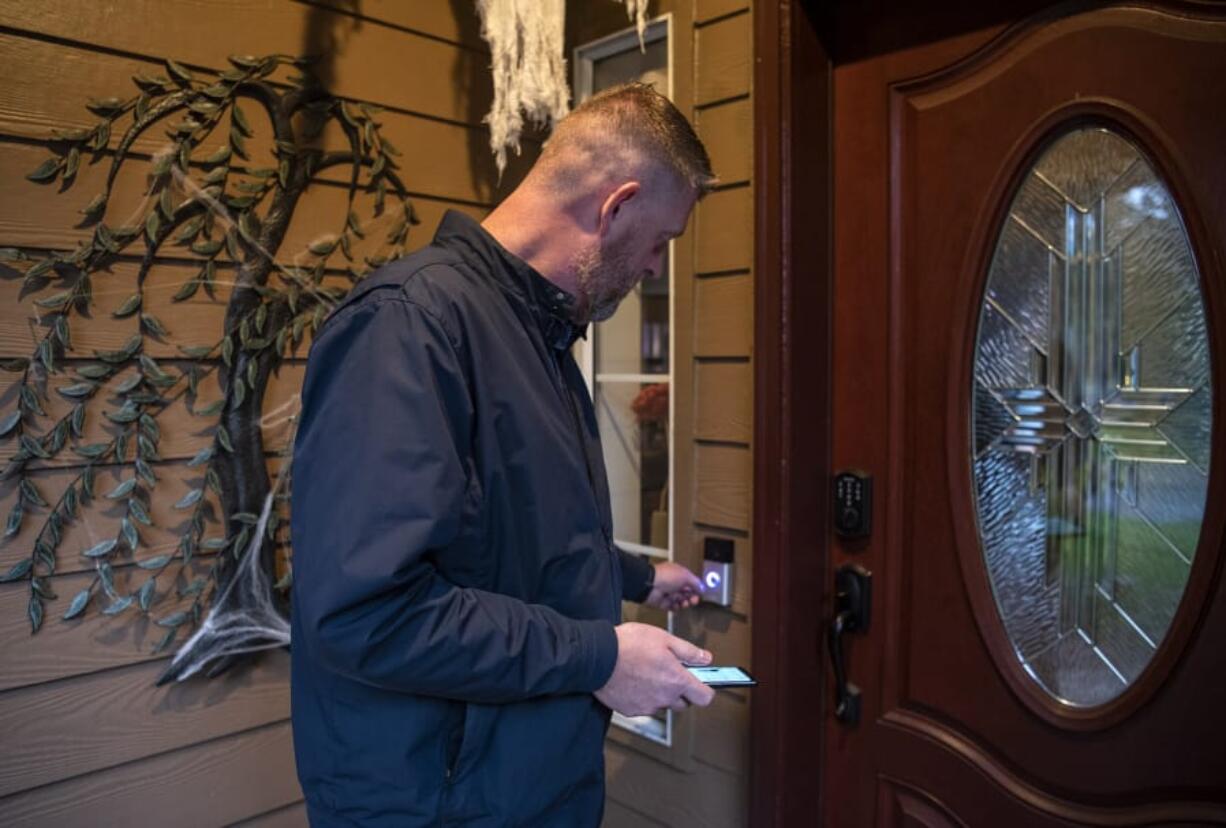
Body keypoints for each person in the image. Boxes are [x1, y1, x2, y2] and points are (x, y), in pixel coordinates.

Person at [289, 82, 719, 827]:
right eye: (661, 241)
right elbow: (367, 611)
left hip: (521, 788)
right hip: (436, 803)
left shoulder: (541, 335)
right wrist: (599, 659)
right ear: (614, 207)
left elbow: (518, 539)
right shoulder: (410, 327)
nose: (654, 268)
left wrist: (642, 577)